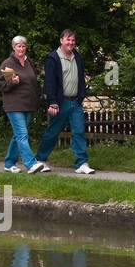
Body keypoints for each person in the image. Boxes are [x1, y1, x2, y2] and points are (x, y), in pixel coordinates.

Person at [37, 29, 95, 173]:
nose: (71, 43)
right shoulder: (53, 58)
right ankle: (40, 160)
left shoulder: (77, 57)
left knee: (79, 131)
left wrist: (81, 97)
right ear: (61, 40)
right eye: (68, 40)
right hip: (59, 103)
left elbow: (80, 79)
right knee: (53, 132)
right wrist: (52, 102)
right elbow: (49, 82)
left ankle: (81, 164)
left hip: (75, 102)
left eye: (73, 40)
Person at [0, 35, 48, 174]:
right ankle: (31, 164)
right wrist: (13, 82)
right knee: (22, 135)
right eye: (18, 46)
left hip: (29, 104)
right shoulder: (8, 64)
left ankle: (9, 163)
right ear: (14, 48)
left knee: (18, 135)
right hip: (14, 105)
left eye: (23, 46)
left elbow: (33, 82)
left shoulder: (29, 62)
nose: (21, 48)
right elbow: (0, 84)